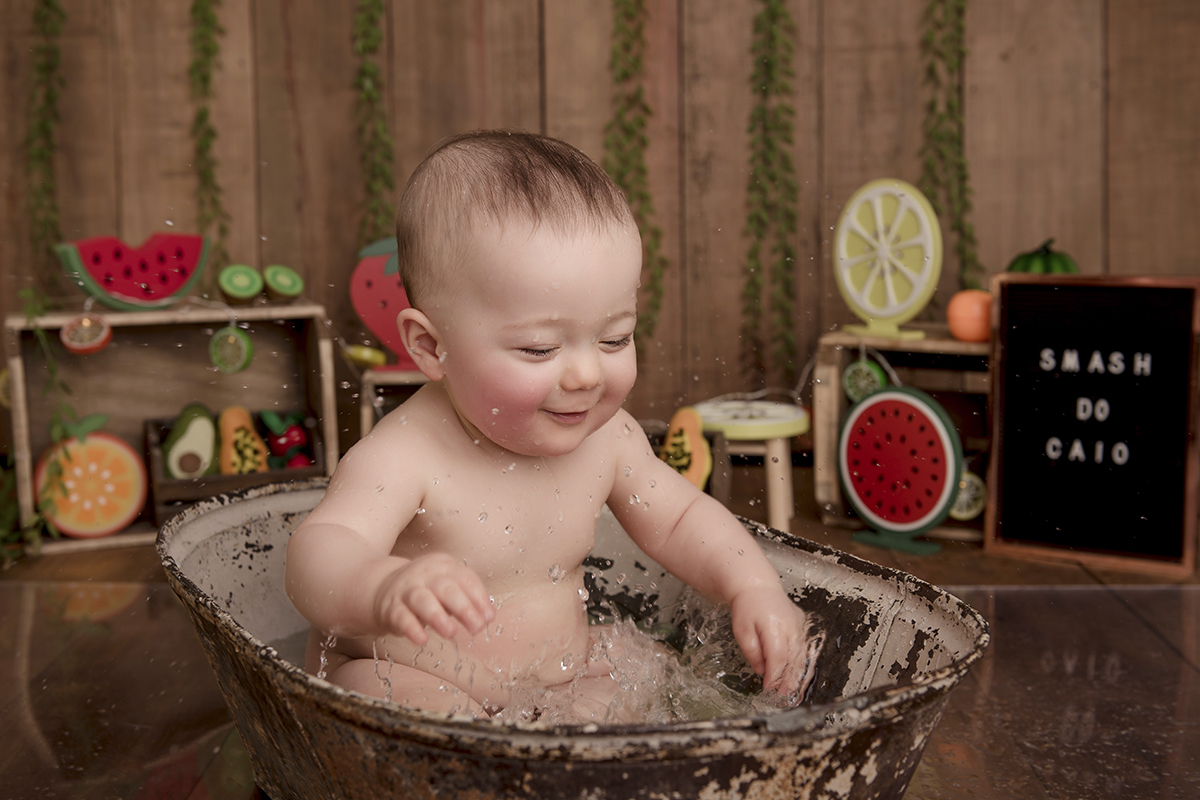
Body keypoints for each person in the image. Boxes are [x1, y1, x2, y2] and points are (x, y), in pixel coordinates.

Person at [285, 130, 815, 722]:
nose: (588, 374)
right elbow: (317, 556)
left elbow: (681, 519)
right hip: (419, 677)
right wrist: (379, 590)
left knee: (631, 675)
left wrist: (754, 588)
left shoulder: (605, 440)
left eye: (615, 338)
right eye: (539, 349)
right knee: (381, 691)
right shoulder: (405, 455)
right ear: (432, 346)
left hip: (556, 682)